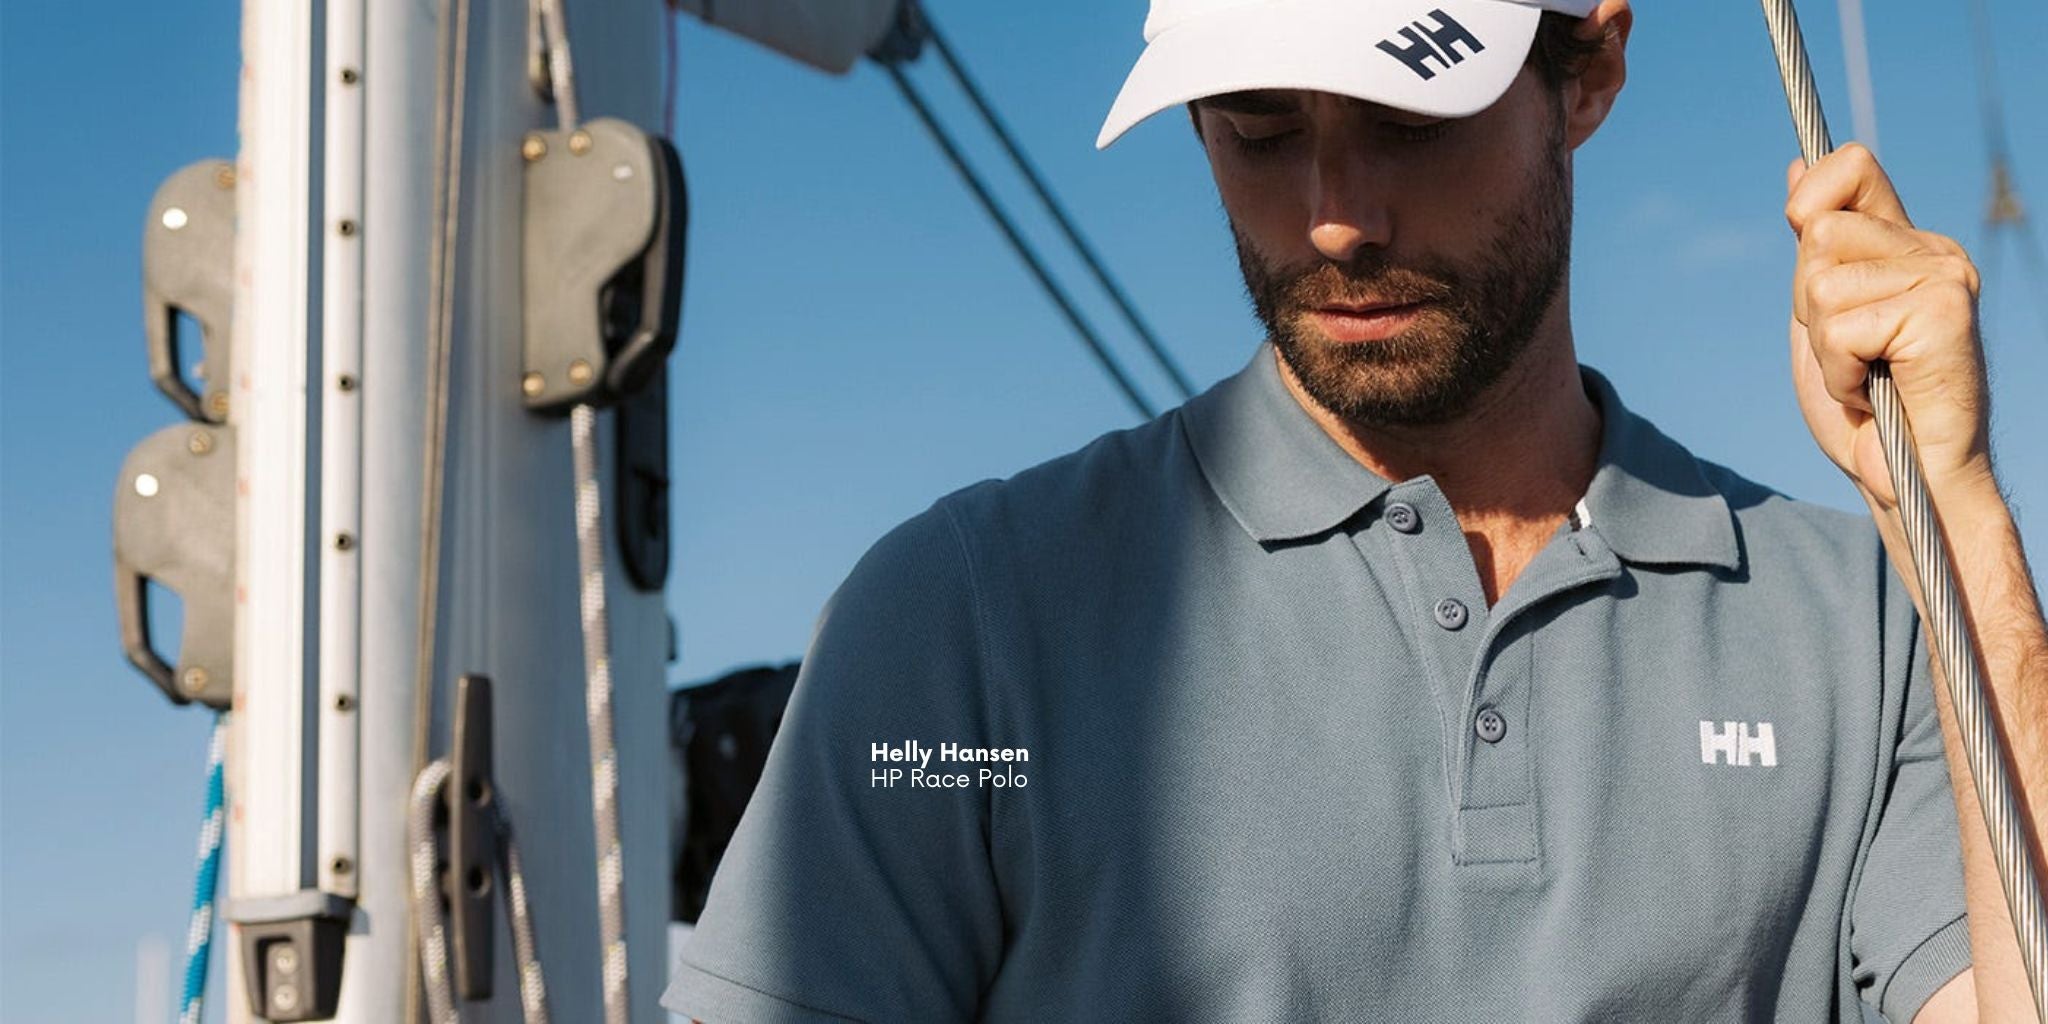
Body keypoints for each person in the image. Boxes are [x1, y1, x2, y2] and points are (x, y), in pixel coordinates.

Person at [663, 0, 2047, 1020]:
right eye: (1259, 130)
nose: (1336, 216)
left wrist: (1956, 506)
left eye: (1409, 119)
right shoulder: (954, 634)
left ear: (1590, 71)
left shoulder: (1877, 633)